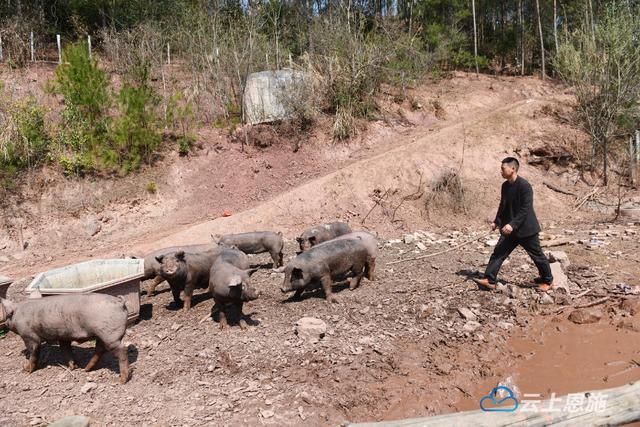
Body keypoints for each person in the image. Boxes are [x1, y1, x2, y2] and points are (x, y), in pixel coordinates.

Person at [474, 157, 553, 291]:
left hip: (526, 229)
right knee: (498, 253)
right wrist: (497, 222)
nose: (501, 172)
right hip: (509, 231)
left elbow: (525, 209)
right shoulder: (505, 186)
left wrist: (512, 224)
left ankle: (547, 281)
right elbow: (503, 206)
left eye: (503, 169)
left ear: (513, 169)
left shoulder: (524, 186)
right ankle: (490, 279)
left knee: (537, 255)